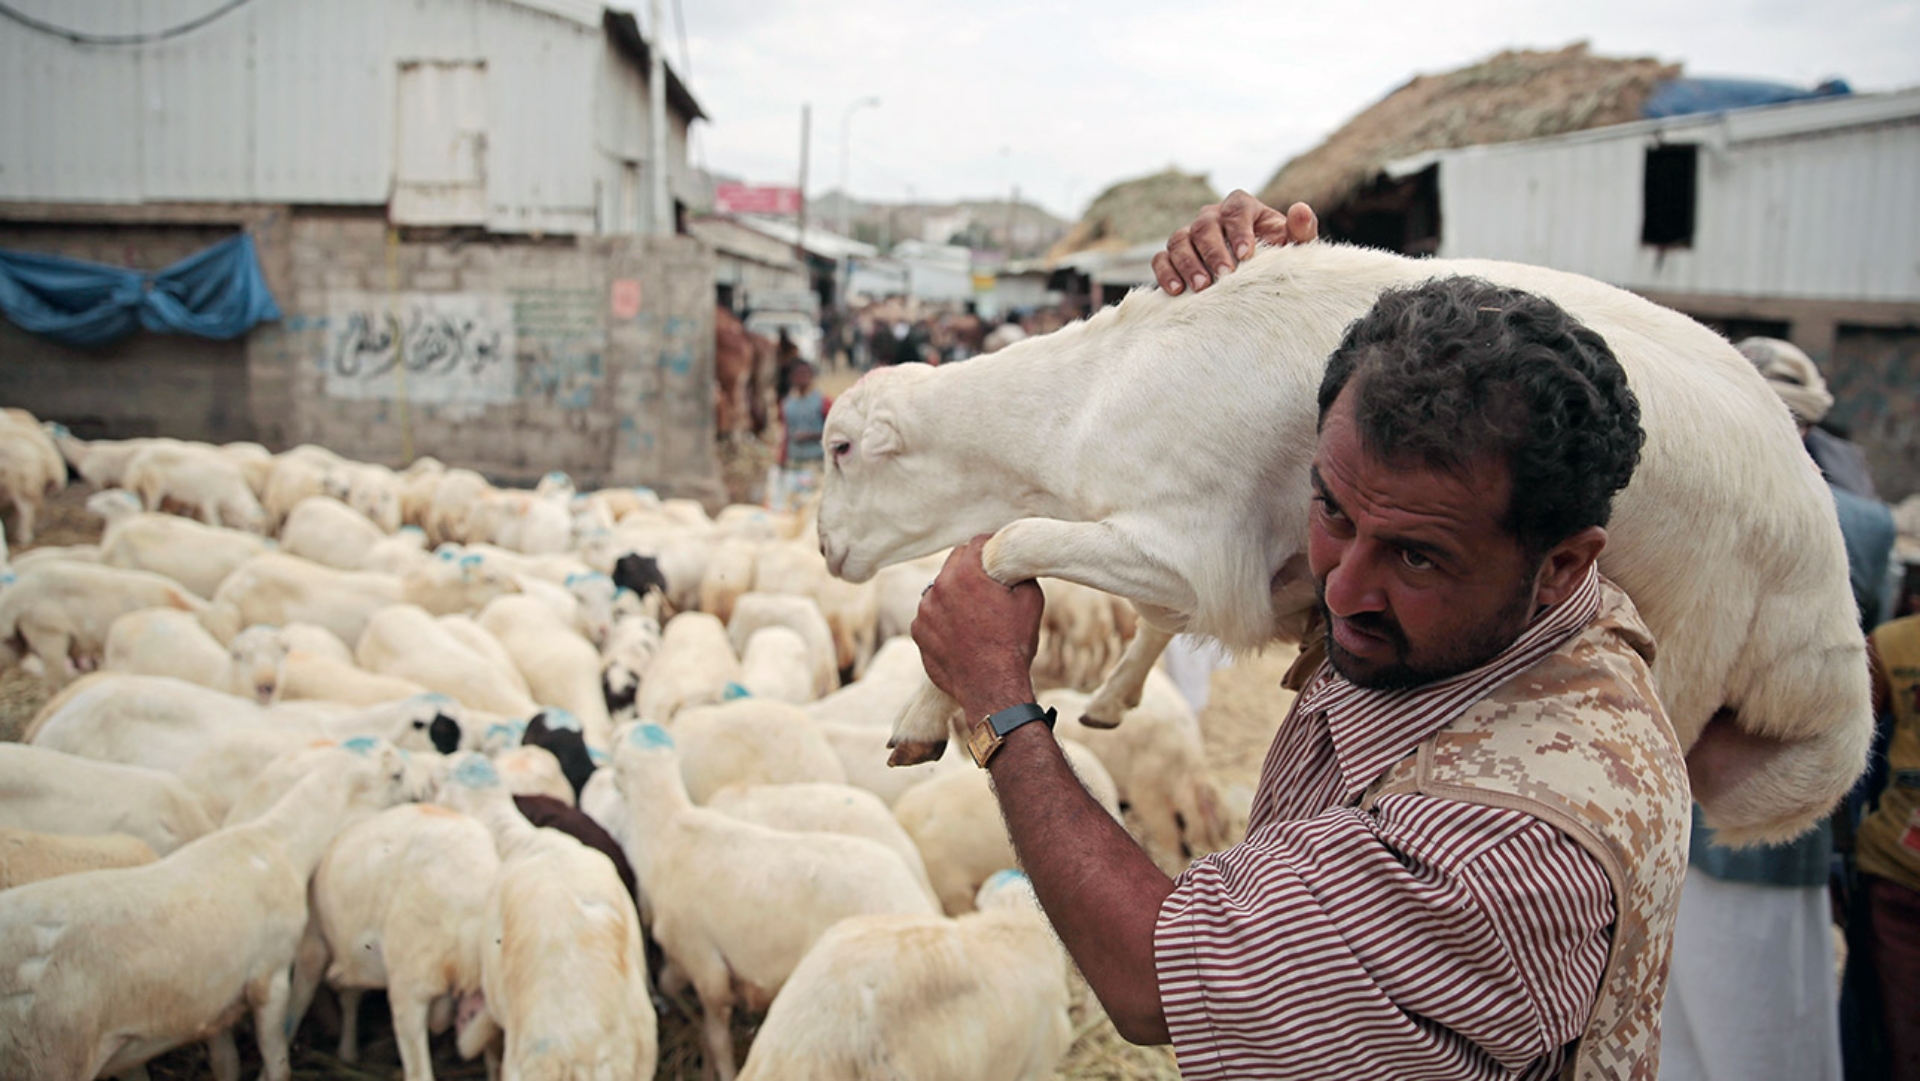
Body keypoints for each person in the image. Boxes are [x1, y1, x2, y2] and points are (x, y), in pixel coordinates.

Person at [913, 191, 1692, 1079]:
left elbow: (1150, 980)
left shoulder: (1503, 844)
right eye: (1329, 506)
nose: (1344, 586)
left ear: (1559, 563)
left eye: (1417, 557)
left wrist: (999, 705)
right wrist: (1276, 301)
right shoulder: (1494, 614)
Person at [1656, 340, 1897, 1081]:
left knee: (1705, 998)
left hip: (1702, 789)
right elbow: (1872, 666)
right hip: (1791, 791)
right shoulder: (1868, 520)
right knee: (1776, 996)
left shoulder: (1697, 507)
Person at [774, 359, 829, 512]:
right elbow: (784, 433)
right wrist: (781, 460)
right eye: (798, 375)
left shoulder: (823, 402)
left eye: (805, 374)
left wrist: (811, 436)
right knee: (795, 505)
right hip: (796, 463)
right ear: (791, 378)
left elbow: (834, 433)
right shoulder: (787, 405)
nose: (802, 378)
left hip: (817, 464)